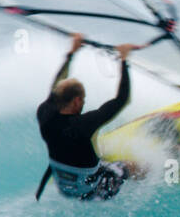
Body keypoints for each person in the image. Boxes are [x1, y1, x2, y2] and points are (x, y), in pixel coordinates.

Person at [35, 33, 141, 200]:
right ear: (77, 101)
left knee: (87, 144)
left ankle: (99, 163)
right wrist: (124, 60)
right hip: (92, 191)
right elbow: (122, 99)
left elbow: (56, 86)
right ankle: (156, 173)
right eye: (83, 100)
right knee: (130, 166)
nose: (83, 103)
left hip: (65, 187)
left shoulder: (44, 113)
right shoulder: (83, 124)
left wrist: (72, 53)